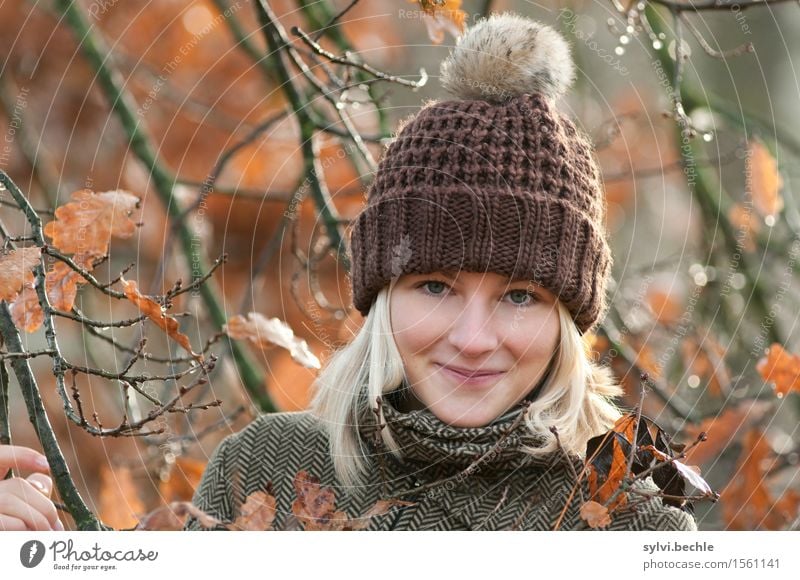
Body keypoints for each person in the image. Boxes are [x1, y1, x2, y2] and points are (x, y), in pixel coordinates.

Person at [0, 12, 696, 532]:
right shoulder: (267, 471)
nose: (476, 338)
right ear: (381, 298)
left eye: (519, 295)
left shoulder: (636, 530)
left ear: (568, 320)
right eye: (435, 286)